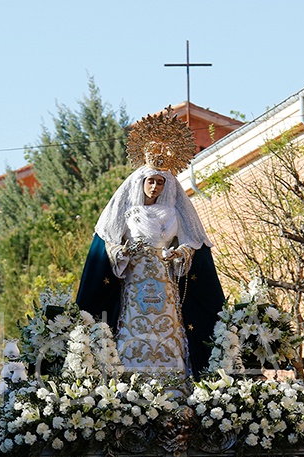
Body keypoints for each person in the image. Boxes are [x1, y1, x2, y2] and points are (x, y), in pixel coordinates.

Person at [76, 113, 224, 376]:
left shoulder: (174, 213)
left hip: (165, 282)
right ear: (141, 182)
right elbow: (110, 241)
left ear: (166, 186)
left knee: (168, 327)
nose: (154, 187)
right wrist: (121, 253)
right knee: (133, 325)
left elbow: (191, 242)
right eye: (150, 181)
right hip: (135, 282)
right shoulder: (127, 212)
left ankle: (174, 384)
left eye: (160, 182)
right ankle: (130, 381)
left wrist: (180, 253)